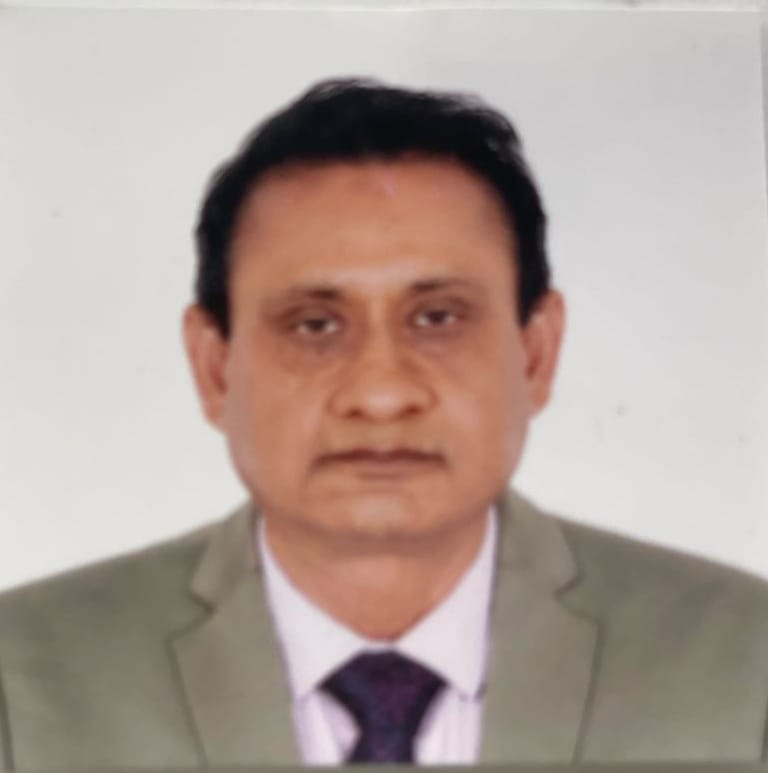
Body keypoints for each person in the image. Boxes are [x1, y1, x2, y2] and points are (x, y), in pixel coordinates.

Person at [1, 78, 768, 771]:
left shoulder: (743, 662)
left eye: (437, 318)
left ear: (536, 354)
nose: (380, 394)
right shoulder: (26, 679)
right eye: (313, 325)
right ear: (215, 369)